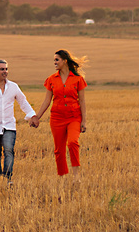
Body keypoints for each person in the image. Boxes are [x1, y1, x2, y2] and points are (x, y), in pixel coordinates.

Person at [30, 49, 87, 186]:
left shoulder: (78, 79)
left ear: (64, 61)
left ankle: (76, 176)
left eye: (57, 60)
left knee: (73, 142)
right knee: (59, 149)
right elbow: (47, 101)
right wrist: (37, 117)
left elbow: (82, 101)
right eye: (54, 60)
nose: (54, 62)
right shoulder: (51, 79)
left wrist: (84, 120)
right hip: (57, 118)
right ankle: (62, 177)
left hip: (74, 117)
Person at [0, 58, 37, 183]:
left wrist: (32, 115)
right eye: (2, 69)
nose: (5, 72)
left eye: (6, 69)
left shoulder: (13, 86)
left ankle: (8, 178)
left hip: (9, 126)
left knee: (9, 151)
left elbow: (23, 102)